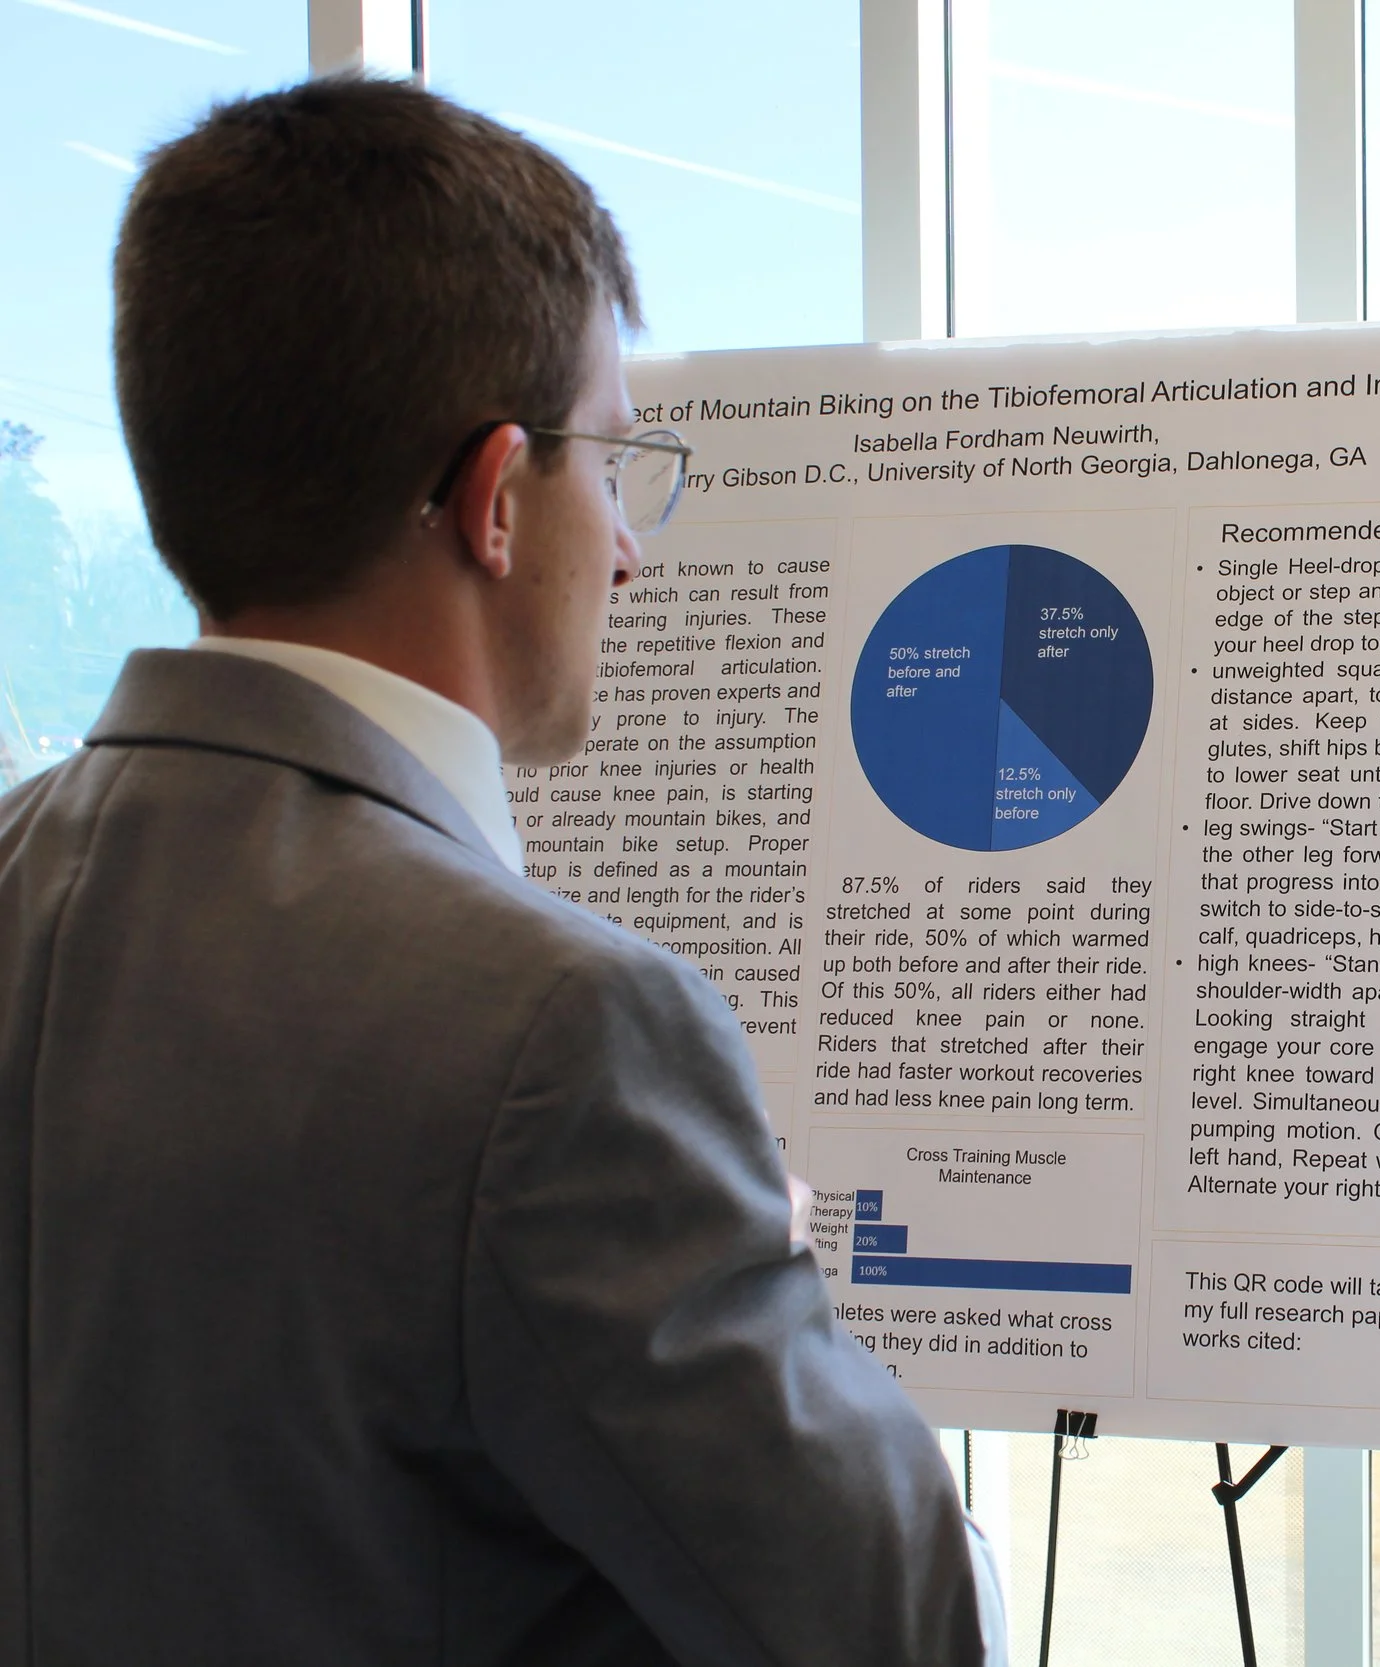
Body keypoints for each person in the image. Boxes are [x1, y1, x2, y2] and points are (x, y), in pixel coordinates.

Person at [0, 78, 998, 1664]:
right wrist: (779, 1281)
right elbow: (895, 1625)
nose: (629, 546)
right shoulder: (564, 1036)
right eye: (613, 462)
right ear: (493, 503)